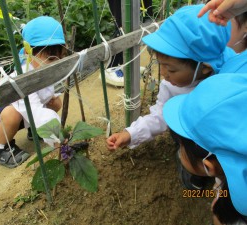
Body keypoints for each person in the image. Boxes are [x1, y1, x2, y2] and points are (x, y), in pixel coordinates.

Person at [106, 4, 235, 189]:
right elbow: (160, 114)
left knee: (222, 174)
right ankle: (194, 173)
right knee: (191, 163)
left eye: (171, 69)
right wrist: (130, 134)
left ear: (205, 68)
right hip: (192, 139)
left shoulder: (229, 79)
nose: (163, 74)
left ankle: (218, 179)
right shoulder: (171, 85)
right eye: (160, 64)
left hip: (216, 140)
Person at [163, 73, 247, 224]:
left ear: (208, 165)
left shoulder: (233, 215)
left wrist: (221, 212)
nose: (180, 151)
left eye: (182, 147)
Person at [0, 16, 66, 168]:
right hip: (0, 116)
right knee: (12, 114)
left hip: (27, 110)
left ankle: (33, 131)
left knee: (55, 102)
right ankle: (2, 148)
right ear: (28, 52)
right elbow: (33, 109)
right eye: (49, 58)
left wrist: (50, 99)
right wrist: (55, 137)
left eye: (57, 58)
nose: (53, 63)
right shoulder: (22, 76)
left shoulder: (43, 68)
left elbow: (43, 99)